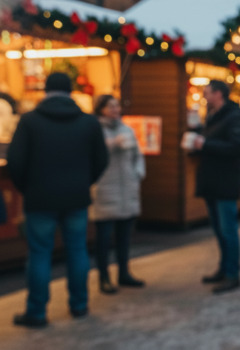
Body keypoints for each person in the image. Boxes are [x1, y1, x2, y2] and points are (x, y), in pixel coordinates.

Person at [7, 72, 109, 328]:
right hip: (76, 197)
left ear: (45, 91)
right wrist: (85, 182)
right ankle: (79, 305)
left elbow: (15, 162)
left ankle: (37, 312)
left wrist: (27, 188)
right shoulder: (88, 122)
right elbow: (102, 160)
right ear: (71, 91)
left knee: (39, 254)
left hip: (40, 198)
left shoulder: (29, 121)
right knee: (77, 250)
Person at [186, 80, 240, 294]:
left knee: (228, 230)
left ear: (218, 94)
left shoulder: (233, 116)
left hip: (225, 181)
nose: (204, 97)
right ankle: (224, 268)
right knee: (219, 230)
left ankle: (232, 274)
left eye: (207, 93)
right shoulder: (212, 116)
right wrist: (196, 136)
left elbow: (237, 146)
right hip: (212, 180)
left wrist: (205, 144)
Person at [90, 95, 146, 294]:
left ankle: (124, 272)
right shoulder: (95, 130)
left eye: (117, 106)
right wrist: (113, 143)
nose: (115, 110)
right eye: (110, 106)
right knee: (104, 238)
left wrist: (138, 173)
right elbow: (92, 155)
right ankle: (104, 277)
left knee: (124, 236)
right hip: (105, 188)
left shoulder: (127, 129)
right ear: (101, 109)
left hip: (127, 187)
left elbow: (138, 155)